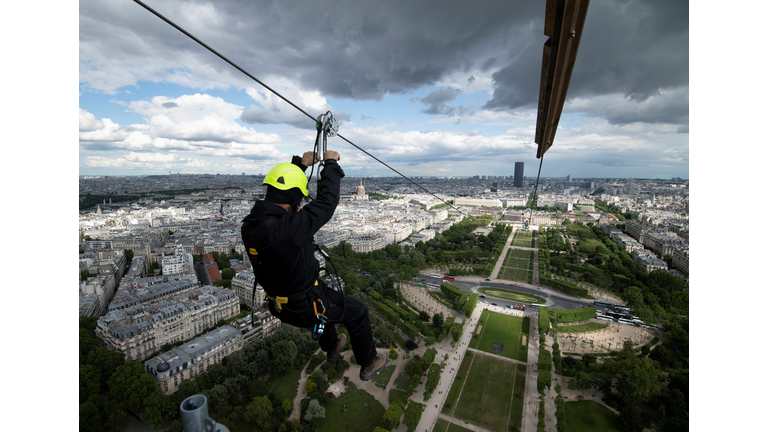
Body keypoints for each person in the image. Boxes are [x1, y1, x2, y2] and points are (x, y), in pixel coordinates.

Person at [241, 150, 386, 381]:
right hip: (305, 305)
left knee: (324, 301)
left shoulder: (250, 225)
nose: (299, 205)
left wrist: (300, 165)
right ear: (293, 201)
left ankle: (332, 348)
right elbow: (326, 202)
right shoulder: (287, 229)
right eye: (298, 201)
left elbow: (285, 191)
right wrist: (330, 164)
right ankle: (369, 363)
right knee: (356, 312)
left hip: (280, 306)